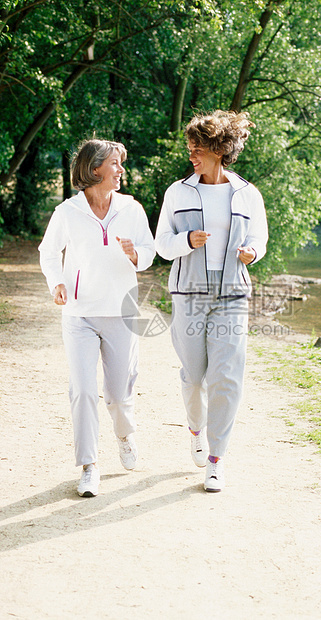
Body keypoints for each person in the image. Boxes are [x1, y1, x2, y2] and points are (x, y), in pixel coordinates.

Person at [155, 110, 268, 492]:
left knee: (227, 377)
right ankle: (196, 430)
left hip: (232, 294)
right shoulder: (178, 192)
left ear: (219, 149)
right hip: (188, 293)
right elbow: (162, 245)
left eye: (197, 148)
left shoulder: (247, 193)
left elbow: (259, 239)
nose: (191, 154)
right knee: (193, 376)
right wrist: (187, 241)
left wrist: (252, 252)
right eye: (190, 147)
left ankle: (216, 460)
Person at [39, 139, 155, 497]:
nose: (121, 171)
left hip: (121, 311)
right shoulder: (67, 212)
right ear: (94, 170)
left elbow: (150, 253)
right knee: (83, 390)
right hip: (80, 314)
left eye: (121, 164)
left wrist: (136, 254)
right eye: (115, 164)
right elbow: (48, 252)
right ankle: (89, 465)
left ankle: (124, 434)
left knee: (118, 395)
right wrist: (57, 282)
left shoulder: (131, 209)